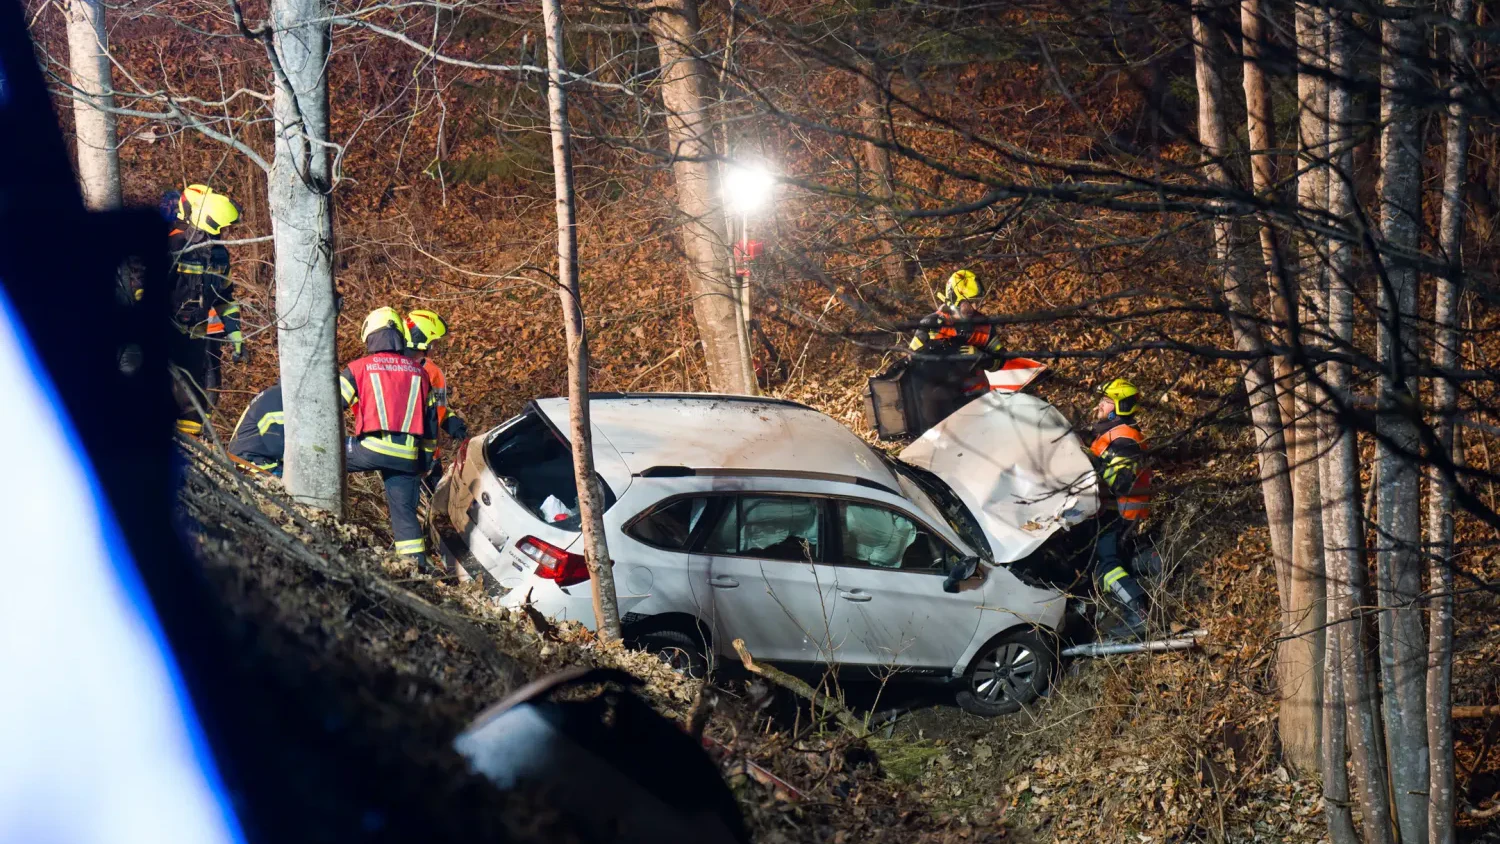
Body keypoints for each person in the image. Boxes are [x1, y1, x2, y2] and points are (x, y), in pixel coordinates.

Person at [341, 307, 439, 569]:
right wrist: (425, 461)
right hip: (407, 457)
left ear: (370, 335)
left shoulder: (358, 368)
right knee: (405, 515)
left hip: (368, 449)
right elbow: (431, 425)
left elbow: (330, 406)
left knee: (329, 455)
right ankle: (415, 569)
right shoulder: (421, 374)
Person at [166, 184, 243, 435]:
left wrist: (235, 334)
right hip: (167, 331)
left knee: (194, 398)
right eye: (221, 227)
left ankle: (193, 451)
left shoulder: (219, 256)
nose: (224, 233)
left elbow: (225, 297)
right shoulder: (173, 245)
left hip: (197, 335)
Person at [1088, 377, 1154, 640]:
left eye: (1105, 401)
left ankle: (1137, 612)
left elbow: (1118, 481)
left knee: (1106, 566)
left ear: (1118, 407)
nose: (1099, 407)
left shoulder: (1125, 440)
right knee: (1117, 555)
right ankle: (1152, 562)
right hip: (1111, 511)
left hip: (1118, 513)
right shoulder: (1113, 434)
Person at [404, 309, 470, 488]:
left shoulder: (389, 364)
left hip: (394, 454)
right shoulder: (432, 373)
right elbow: (438, 409)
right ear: (424, 340)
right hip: (425, 457)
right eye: (433, 342)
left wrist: (453, 423)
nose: (434, 348)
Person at [227, 384, 284, 475]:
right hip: (251, 464)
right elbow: (279, 446)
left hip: (253, 460)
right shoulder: (279, 398)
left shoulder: (274, 394)